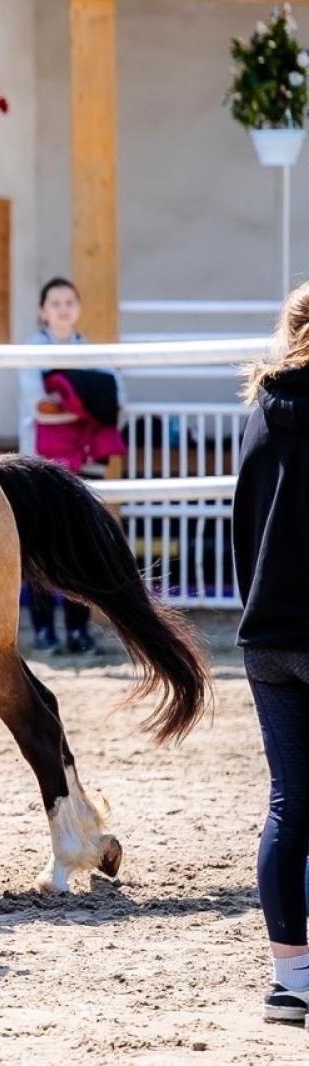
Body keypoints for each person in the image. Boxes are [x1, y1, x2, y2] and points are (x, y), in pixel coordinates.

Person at [234, 281, 309, 1025]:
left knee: (290, 804)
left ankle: (291, 978)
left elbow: (242, 521)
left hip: (265, 637)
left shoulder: (259, 410)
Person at [19, 277, 124, 655]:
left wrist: (75, 406)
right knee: (42, 545)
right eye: (55, 302)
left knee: (83, 544)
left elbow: (116, 404)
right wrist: (86, 410)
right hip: (40, 459)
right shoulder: (32, 351)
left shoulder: (92, 352)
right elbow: (40, 409)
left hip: (87, 459)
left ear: (78, 308)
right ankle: (44, 630)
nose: (63, 308)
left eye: (69, 301)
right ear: (42, 310)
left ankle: (80, 631)